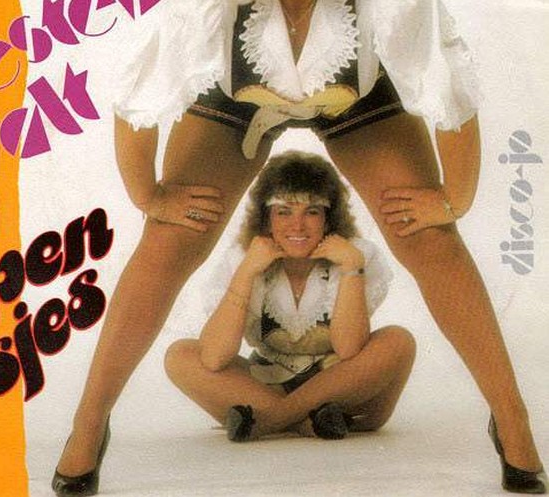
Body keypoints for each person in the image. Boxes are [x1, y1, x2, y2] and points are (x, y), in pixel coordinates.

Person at [52, 1, 546, 495]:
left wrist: (454, 199)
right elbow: (140, 91)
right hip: (234, 95)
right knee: (166, 240)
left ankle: (510, 418)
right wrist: (149, 197)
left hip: (358, 92)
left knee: (429, 238)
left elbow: (446, 81)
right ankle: (89, 423)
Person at [164, 151, 416, 443]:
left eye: (312, 212)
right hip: (268, 385)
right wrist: (246, 272)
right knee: (181, 355)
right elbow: (214, 356)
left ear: (328, 219)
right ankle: (308, 424)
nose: (297, 226)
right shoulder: (244, 258)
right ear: (266, 219)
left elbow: (349, 350)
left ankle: (268, 422)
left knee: (398, 341)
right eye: (284, 211)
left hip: (344, 391)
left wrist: (351, 270)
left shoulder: (356, 254)